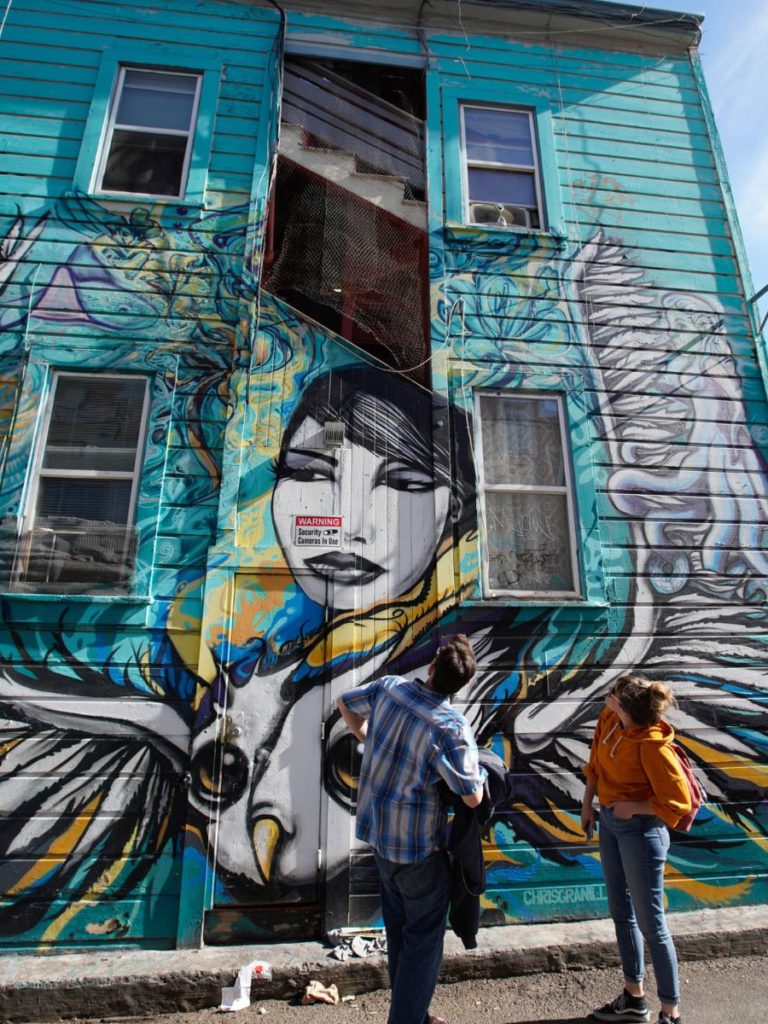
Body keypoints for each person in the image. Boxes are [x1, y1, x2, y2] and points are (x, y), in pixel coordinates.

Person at [337, 633, 486, 1024]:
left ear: (432, 667)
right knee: (423, 942)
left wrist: (364, 735)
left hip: (380, 840)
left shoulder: (390, 689)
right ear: (462, 684)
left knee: (401, 934)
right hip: (419, 851)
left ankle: (413, 1014)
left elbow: (344, 703)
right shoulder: (450, 726)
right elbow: (472, 797)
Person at [581, 674, 692, 1024]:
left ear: (623, 705)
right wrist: (588, 803)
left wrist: (636, 807)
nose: (606, 696)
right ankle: (633, 997)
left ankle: (670, 1012)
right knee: (621, 912)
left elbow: (679, 804)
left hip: (641, 835)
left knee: (651, 924)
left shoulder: (652, 746)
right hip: (611, 825)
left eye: (612, 694)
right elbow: (596, 763)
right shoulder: (611, 719)